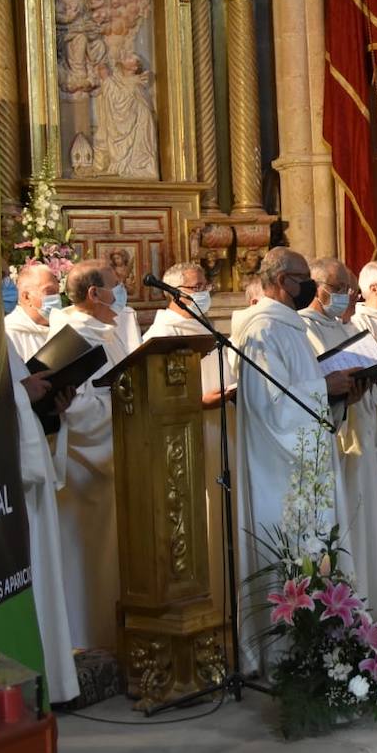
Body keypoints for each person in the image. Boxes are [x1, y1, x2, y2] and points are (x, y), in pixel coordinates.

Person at [230, 247, 361, 671]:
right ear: (282, 281)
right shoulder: (262, 330)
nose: (307, 286)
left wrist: (337, 392)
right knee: (288, 551)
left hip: (305, 456)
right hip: (279, 467)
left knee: (315, 550)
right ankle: (284, 653)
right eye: (303, 278)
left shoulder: (287, 326)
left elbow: (296, 389)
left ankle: (319, 641)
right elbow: (267, 403)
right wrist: (326, 387)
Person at [300, 257, 377, 622]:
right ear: (316, 288)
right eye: (338, 288)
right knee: (349, 521)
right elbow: (312, 384)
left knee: (370, 517)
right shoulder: (302, 328)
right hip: (339, 440)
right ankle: (350, 606)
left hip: (363, 432)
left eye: (348, 288)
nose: (346, 295)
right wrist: (340, 396)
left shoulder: (345, 328)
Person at [141, 261, 236, 618]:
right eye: (196, 287)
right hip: (186, 442)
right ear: (173, 293)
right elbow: (154, 398)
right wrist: (198, 402)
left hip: (220, 432)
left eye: (205, 285)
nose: (204, 292)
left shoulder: (207, 328)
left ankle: (227, 602)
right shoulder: (160, 336)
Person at [48, 261, 135, 651]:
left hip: (116, 454)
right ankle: (88, 641)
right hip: (89, 465)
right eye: (115, 285)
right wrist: (128, 409)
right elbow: (73, 407)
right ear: (94, 294)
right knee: (89, 559)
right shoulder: (75, 337)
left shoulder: (106, 331)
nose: (121, 291)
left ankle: (112, 635)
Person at [7, 346, 79, 704]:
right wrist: (23, 392)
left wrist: (51, 408)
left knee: (42, 571)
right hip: (9, 478)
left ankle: (51, 677)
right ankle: (34, 684)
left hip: (27, 468)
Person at [4, 263, 61, 364]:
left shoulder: (62, 326)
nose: (57, 298)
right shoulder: (9, 335)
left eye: (57, 292)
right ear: (26, 297)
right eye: (49, 292)